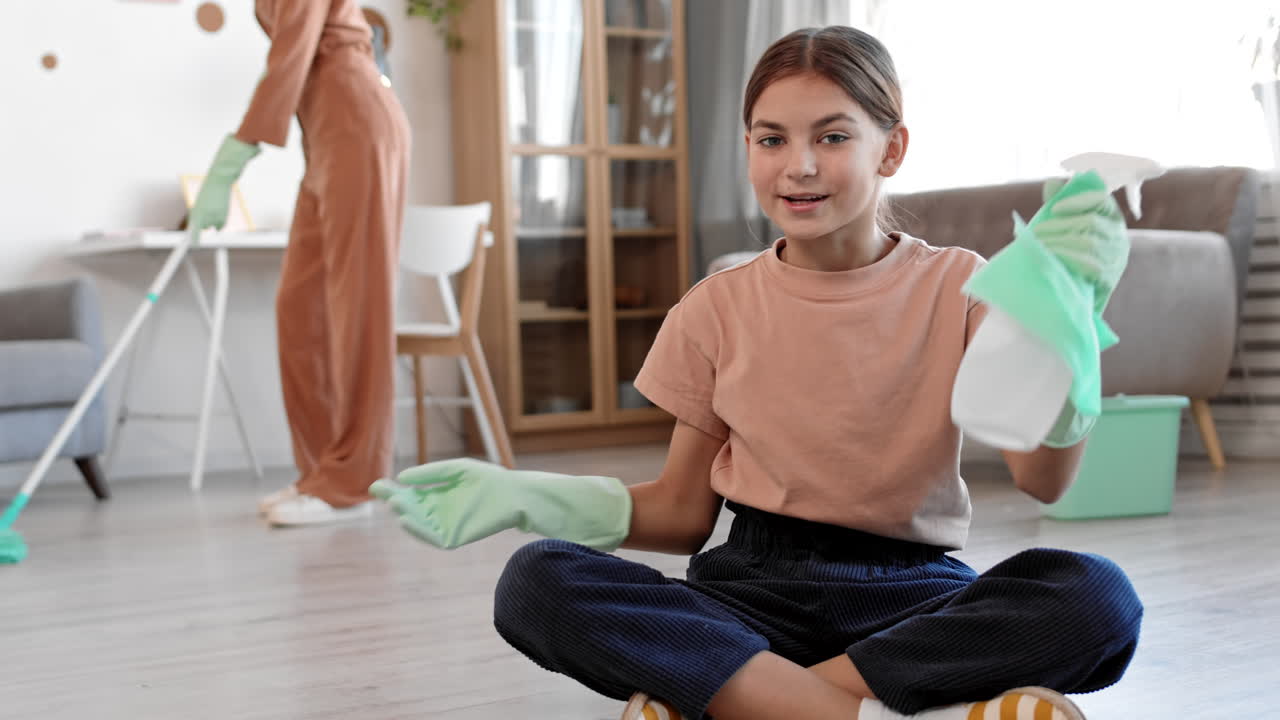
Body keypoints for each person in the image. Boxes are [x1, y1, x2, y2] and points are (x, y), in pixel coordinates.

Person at [372, 26, 1139, 720]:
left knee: (1097, 597)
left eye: (832, 136)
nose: (798, 166)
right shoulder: (715, 307)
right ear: (748, 150)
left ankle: (739, 699)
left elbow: (1044, 481)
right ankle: (885, 709)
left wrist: (1064, 331)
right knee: (536, 580)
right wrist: (525, 496)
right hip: (750, 592)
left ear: (891, 149)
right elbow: (683, 514)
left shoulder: (963, 286)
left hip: (907, 593)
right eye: (772, 140)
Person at [188, 0, 411, 527]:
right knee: (300, 307)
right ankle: (320, 472)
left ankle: (354, 483)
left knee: (358, 306)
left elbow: (292, 51)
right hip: (324, 132)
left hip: (356, 119)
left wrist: (237, 151)